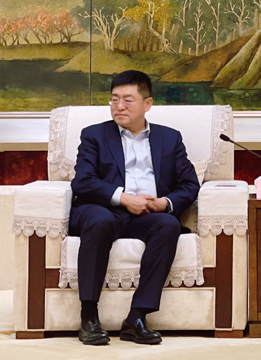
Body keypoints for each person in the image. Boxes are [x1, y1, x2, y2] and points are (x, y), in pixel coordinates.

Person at [69, 70, 199, 345]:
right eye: (114, 99)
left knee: (168, 225)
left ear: (147, 103)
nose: (119, 106)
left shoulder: (170, 138)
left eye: (128, 99)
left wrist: (164, 203)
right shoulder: (94, 135)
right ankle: (89, 316)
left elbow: (189, 184)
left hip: (147, 215)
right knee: (100, 220)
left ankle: (136, 318)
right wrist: (124, 198)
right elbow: (83, 182)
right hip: (102, 209)